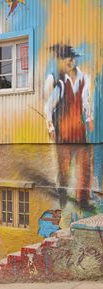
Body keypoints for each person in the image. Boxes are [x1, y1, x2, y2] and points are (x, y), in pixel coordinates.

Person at [44, 44, 94, 209]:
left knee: (85, 167)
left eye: (72, 58)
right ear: (62, 60)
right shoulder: (60, 83)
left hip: (79, 133)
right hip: (64, 134)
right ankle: (63, 197)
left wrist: (89, 119)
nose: (70, 61)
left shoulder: (84, 79)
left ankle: (83, 200)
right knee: (64, 171)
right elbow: (48, 107)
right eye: (66, 58)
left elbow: (86, 102)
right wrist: (50, 127)